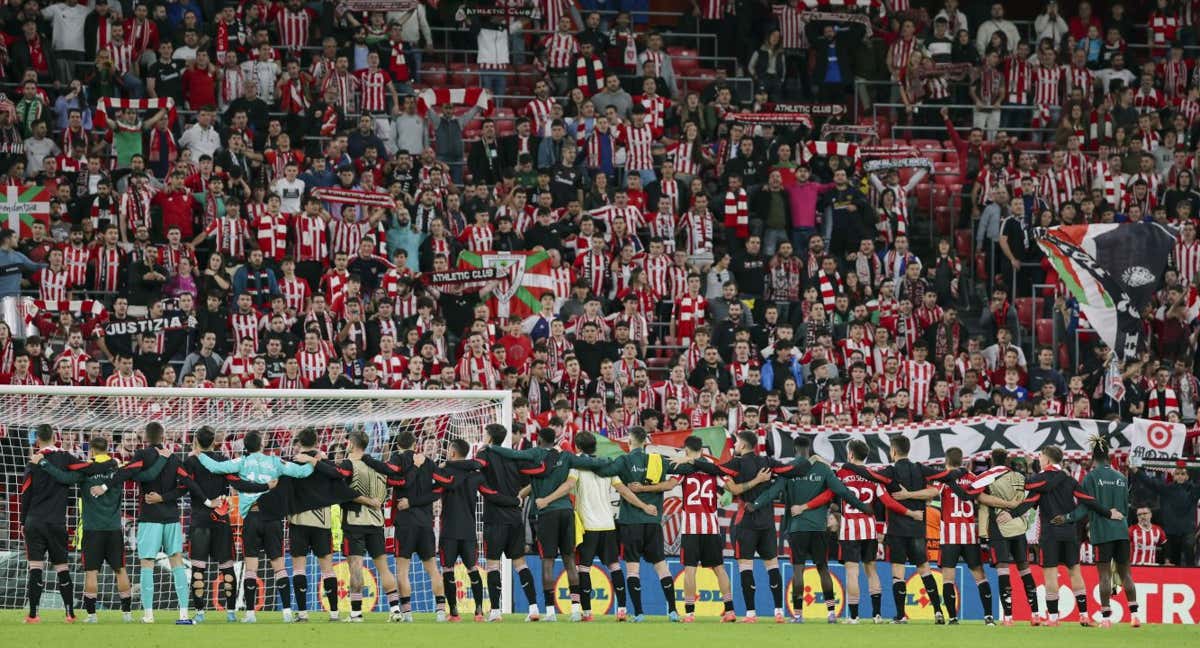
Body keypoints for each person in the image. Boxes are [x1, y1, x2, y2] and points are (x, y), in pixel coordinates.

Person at [30, 429, 168, 624]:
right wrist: (162, 460)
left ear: (92, 451)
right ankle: (127, 614)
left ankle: (92, 615)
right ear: (108, 448)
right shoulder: (118, 469)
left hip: (92, 530)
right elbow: (144, 475)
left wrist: (43, 463)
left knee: (91, 572)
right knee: (120, 570)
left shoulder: (86, 471)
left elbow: (64, 478)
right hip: (113, 529)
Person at [486, 427, 612, 621]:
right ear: (555, 440)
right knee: (570, 560)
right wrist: (607, 460)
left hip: (546, 514)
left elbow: (511, 453)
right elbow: (591, 462)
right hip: (566, 512)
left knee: (548, 562)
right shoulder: (568, 457)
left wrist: (492, 447)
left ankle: (551, 611)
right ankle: (576, 610)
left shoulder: (535, 454)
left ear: (538, 440)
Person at [195, 430, 318, 623]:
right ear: (261, 445)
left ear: (246, 446)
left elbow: (216, 467)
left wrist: (199, 454)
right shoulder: (275, 461)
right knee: (278, 565)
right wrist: (314, 461)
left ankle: (250, 614)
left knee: (251, 566)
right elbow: (301, 473)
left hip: (252, 517)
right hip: (273, 519)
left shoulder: (241, 462)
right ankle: (287, 612)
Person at [998, 445, 1120, 626]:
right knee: (1075, 573)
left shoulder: (1039, 480)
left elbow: (1029, 500)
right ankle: (1084, 615)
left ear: (1047, 459)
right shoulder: (1069, 479)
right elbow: (1087, 499)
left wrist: (1011, 514)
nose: (1038, 459)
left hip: (1050, 534)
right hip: (1070, 532)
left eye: (1040, 456)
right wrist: (1108, 513)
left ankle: (1053, 618)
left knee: (1050, 575)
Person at [749, 452, 873, 623]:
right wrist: (862, 506)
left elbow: (772, 492)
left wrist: (755, 505)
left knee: (798, 570)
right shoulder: (823, 470)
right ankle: (831, 613)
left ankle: (799, 615)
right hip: (819, 528)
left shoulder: (791, 469)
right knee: (823, 569)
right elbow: (841, 490)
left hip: (797, 528)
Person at [842, 435, 945, 623]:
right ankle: (938, 611)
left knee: (898, 573)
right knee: (924, 569)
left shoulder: (889, 471)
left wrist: (848, 466)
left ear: (893, 451)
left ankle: (900, 615)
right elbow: (936, 491)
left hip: (897, 529)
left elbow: (871, 476)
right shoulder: (920, 468)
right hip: (917, 527)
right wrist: (913, 496)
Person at [183, 425, 268, 623]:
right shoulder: (222, 460)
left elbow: (186, 485)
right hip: (221, 520)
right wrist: (264, 486)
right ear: (214, 441)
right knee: (227, 567)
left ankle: (200, 612)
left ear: (196, 440)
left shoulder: (191, 461)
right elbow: (238, 483)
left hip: (200, 520)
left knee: (198, 568)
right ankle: (230, 612)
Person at [1056, 437, 1139, 628]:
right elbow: (1126, 510)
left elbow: (1085, 507)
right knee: (1126, 574)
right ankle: (1135, 616)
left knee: (1104, 576)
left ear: (1093, 457)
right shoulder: (1121, 477)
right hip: (1121, 531)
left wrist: (1067, 518)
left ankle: (1106, 619)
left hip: (1102, 533)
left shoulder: (1091, 477)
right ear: (1108, 456)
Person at [667, 435, 736, 623]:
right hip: (711, 526)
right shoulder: (713, 467)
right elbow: (730, 487)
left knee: (690, 569)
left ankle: (689, 613)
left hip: (691, 527)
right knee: (719, 569)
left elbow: (671, 484)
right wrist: (726, 496)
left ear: (687, 449)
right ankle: (730, 611)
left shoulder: (685, 468)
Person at [340, 429, 402, 622]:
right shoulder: (379, 467)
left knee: (356, 567)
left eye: (347, 442)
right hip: (376, 523)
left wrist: (365, 500)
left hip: (354, 522)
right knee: (383, 567)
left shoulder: (349, 464)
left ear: (351, 443)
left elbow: (341, 491)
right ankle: (395, 610)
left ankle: (356, 614)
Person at [570, 430, 630, 621]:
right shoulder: (607, 464)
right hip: (608, 525)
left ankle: (587, 612)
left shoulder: (576, 467)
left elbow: (566, 485)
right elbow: (623, 490)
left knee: (584, 569)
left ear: (578, 447)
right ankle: (622, 610)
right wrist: (644, 505)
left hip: (588, 526)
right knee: (614, 566)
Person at [432, 438, 486, 622]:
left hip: (449, 530)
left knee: (448, 569)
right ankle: (479, 612)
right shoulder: (475, 474)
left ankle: (454, 613)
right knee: (472, 568)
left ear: (453, 453)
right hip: (469, 529)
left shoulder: (444, 472)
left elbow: (433, 489)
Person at [1131, 460, 1200, 567]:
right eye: (1177, 474)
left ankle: (1195, 578)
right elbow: (1149, 482)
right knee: (1173, 561)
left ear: (1187, 476)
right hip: (1171, 532)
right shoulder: (1166, 489)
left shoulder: (1194, 489)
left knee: (1189, 550)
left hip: (1187, 531)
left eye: (1183, 474)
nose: (1180, 476)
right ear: (1173, 476)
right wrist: (1135, 470)